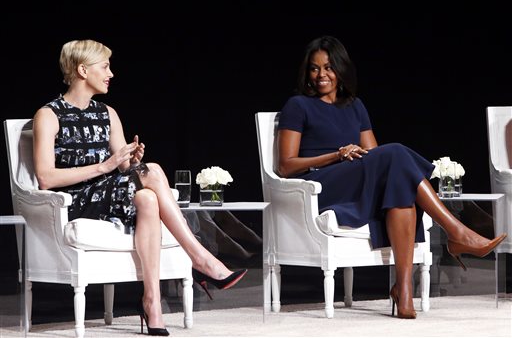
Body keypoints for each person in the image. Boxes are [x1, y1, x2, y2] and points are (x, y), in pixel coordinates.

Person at [276, 35, 507, 319]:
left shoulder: (355, 106)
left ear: (341, 70)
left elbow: (374, 154)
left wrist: (357, 156)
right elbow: (285, 166)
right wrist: (337, 155)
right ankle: (456, 231)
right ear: (307, 73)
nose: (322, 74)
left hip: (357, 180)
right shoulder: (297, 106)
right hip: (323, 183)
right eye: (315, 68)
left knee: (400, 189)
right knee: (396, 154)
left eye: (329, 67)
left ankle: (404, 291)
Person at [32, 39, 247, 336]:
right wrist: (104, 167)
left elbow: (124, 171)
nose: (111, 73)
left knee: (147, 195)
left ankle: (152, 302)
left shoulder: (108, 113)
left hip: (109, 193)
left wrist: (132, 161)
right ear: (82, 70)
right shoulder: (49, 114)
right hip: (73, 200)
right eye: (105, 66)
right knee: (155, 173)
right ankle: (200, 258)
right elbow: (46, 178)